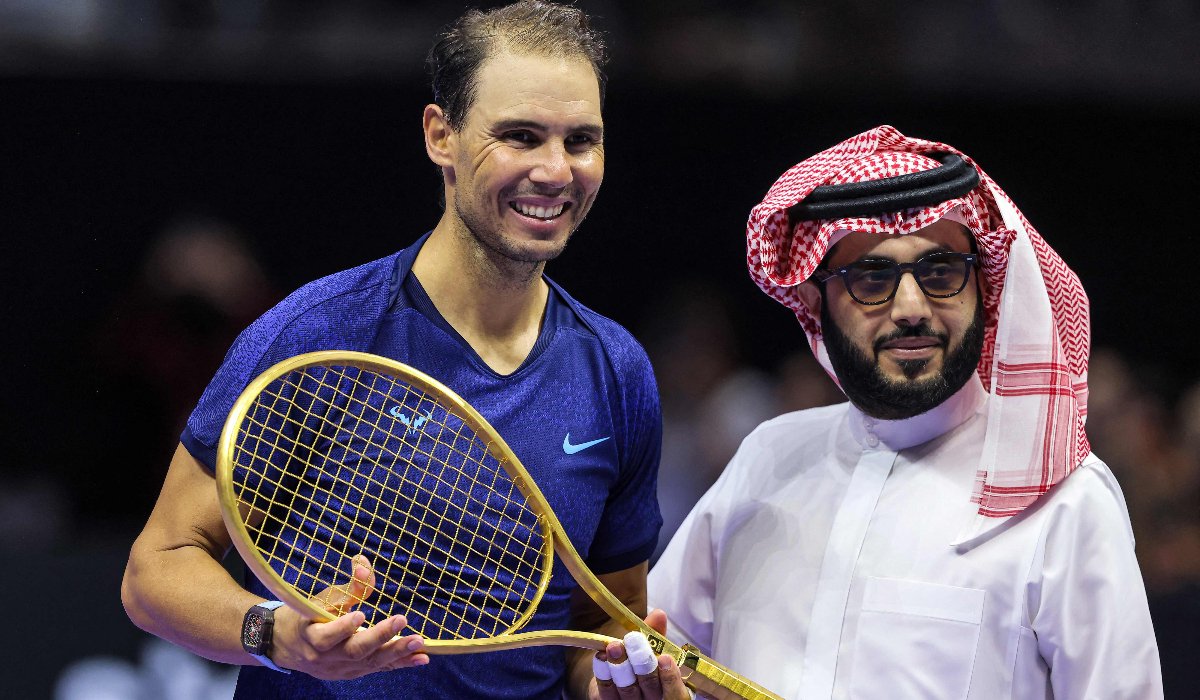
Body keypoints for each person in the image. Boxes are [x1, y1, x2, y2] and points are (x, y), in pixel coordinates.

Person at [121, 3, 664, 698]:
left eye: (581, 141)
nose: (556, 170)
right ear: (441, 136)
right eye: (520, 136)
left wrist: (618, 685)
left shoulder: (618, 372)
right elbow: (157, 569)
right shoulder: (318, 334)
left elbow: (600, 626)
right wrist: (278, 636)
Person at [598, 125, 1163, 699]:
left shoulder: (1066, 499)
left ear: (983, 288)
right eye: (872, 277)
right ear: (816, 300)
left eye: (941, 273)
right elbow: (655, 654)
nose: (912, 308)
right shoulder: (768, 458)